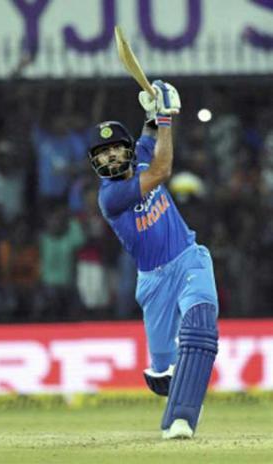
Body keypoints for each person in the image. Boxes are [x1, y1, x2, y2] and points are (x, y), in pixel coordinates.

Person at [87, 81, 219, 440]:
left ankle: (181, 418)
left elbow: (149, 140)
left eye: (115, 150)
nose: (110, 158)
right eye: (102, 154)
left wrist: (151, 112)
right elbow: (161, 172)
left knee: (200, 329)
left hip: (189, 259)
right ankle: (179, 390)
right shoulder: (111, 197)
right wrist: (164, 117)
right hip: (153, 282)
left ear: (129, 150)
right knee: (162, 374)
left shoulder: (144, 151)